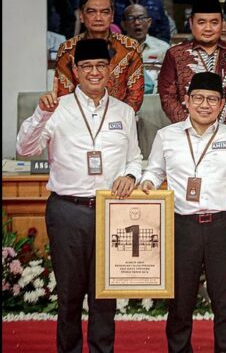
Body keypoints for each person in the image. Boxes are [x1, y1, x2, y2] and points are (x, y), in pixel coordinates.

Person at [16, 39, 142, 353]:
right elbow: (25, 149)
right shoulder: (55, 107)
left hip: (111, 211)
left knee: (105, 294)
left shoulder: (124, 112)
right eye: (87, 66)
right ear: (75, 70)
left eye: (101, 65)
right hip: (67, 210)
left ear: (110, 68)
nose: (94, 72)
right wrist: (41, 116)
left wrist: (130, 175)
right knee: (70, 295)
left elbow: (135, 158)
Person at [140, 72, 226, 353]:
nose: (205, 104)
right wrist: (146, 184)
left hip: (220, 226)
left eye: (212, 99)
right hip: (181, 226)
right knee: (180, 302)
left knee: (225, 302)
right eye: (199, 98)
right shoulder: (167, 136)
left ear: (221, 104)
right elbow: (154, 171)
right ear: (187, 101)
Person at [158, 0, 226, 126]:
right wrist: (191, 127)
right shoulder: (175, 54)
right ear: (191, 22)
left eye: (214, 22)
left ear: (222, 23)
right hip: (187, 133)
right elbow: (167, 97)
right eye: (201, 22)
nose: (208, 28)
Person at [54, 0, 145, 112]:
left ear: (112, 16)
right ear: (81, 16)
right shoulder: (68, 50)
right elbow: (64, 95)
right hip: (78, 121)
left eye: (104, 12)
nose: (98, 17)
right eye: (92, 12)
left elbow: (136, 96)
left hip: (120, 120)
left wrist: (115, 121)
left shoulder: (130, 48)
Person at [121, 4, 169, 94]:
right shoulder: (115, 49)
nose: (137, 23)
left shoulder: (163, 48)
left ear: (149, 22)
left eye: (141, 18)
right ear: (123, 24)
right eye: (131, 18)